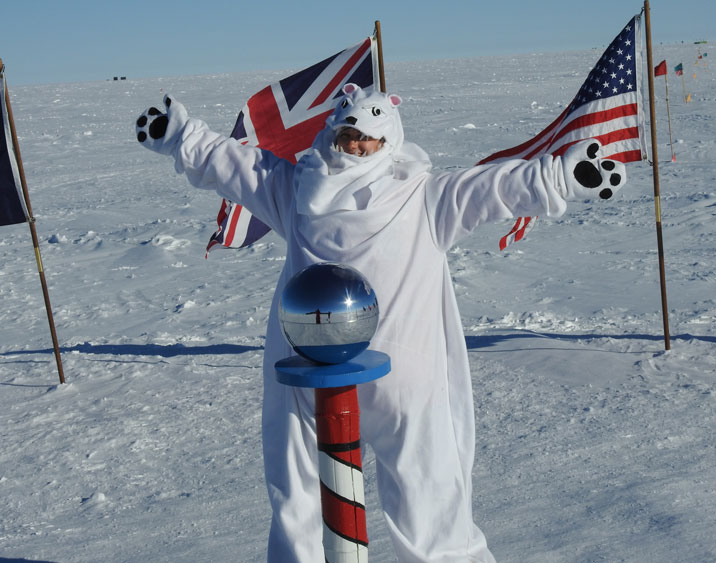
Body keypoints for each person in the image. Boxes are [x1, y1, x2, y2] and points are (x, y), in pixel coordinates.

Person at [136, 83, 626, 562]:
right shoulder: (295, 186)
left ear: (388, 141)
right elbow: (235, 166)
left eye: (366, 138)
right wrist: (181, 136)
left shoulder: (422, 195)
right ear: (331, 134)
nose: (355, 145)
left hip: (400, 374)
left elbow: (491, 188)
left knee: (428, 493)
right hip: (308, 370)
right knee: (298, 493)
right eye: (347, 135)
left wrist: (558, 178)